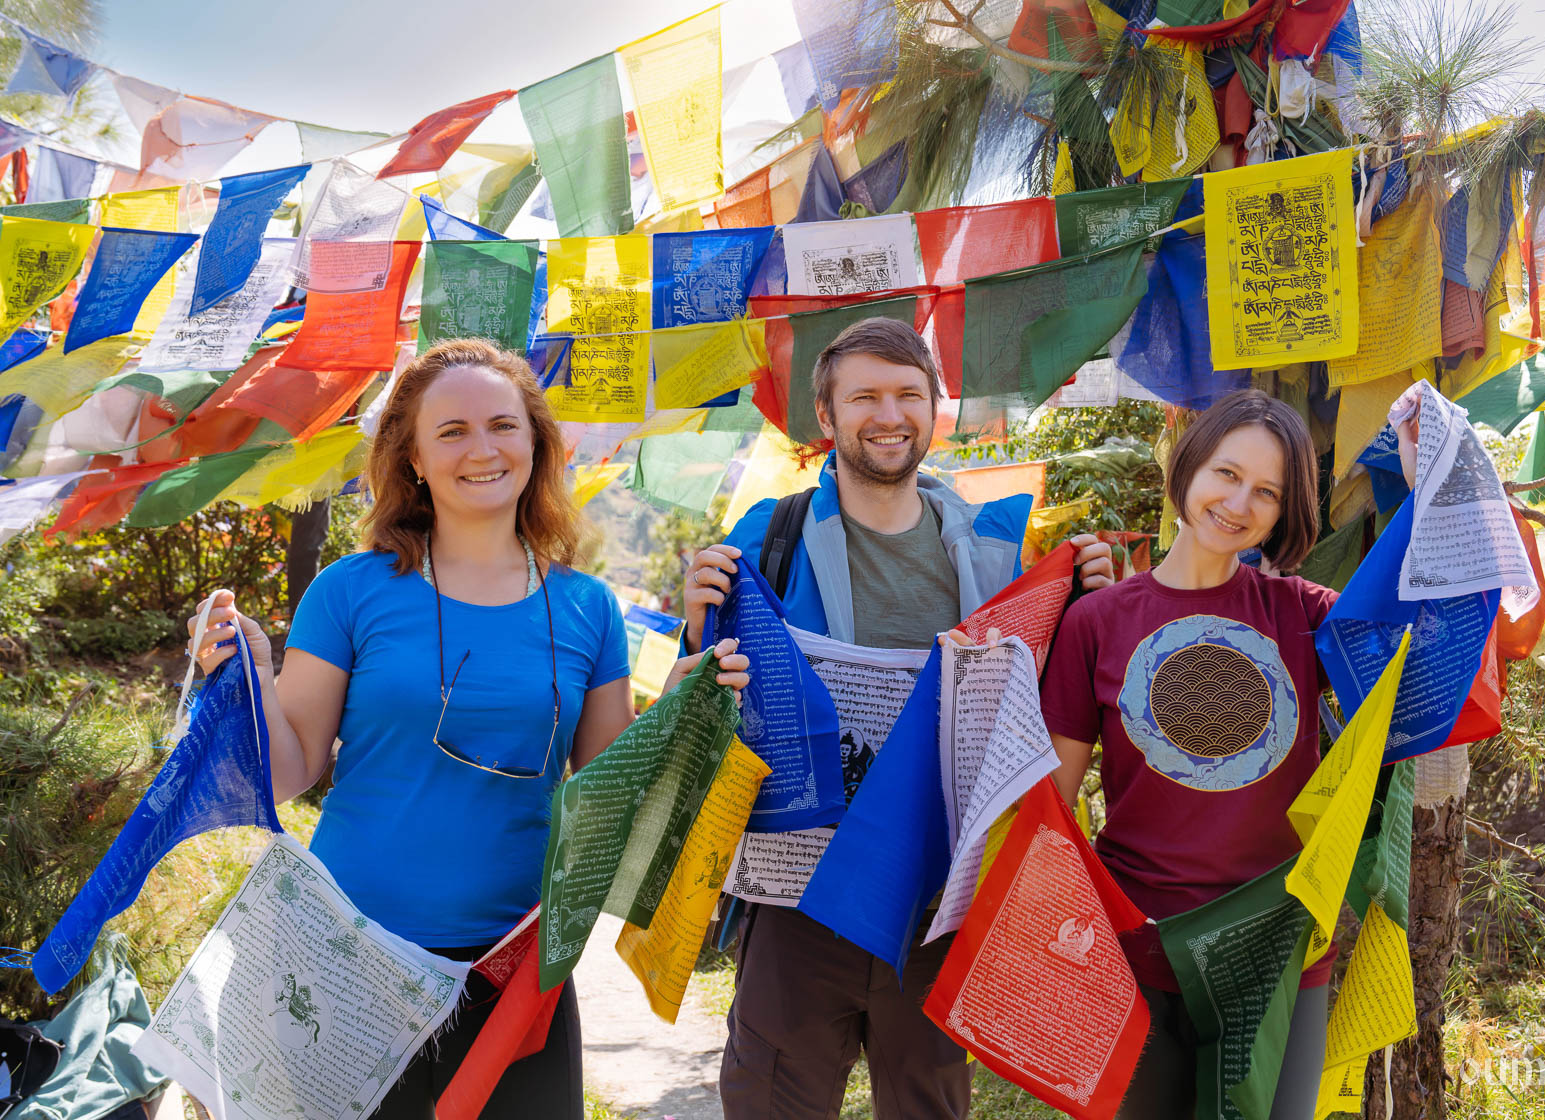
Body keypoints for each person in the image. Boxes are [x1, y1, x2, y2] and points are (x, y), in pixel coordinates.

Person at [187, 338, 748, 1120]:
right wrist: (247, 679)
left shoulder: (587, 608)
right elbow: (291, 771)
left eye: (503, 425)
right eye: (451, 431)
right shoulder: (351, 590)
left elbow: (607, 802)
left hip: (516, 972)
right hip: (350, 957)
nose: (482, 449)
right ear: (414, 458)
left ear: (537, 445)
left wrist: (678, 712)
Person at [681, 316, 1116, 1120]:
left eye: (909, 395)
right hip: (797, 900)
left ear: (933, 410)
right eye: (865, 397)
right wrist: (696, 627)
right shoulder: (767, 537)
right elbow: (711, 697)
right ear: (826, 415)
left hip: (933, 902)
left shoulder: (996, 550)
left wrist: (1091, 600)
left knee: (929, 1107)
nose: (890, 415)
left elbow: (1041, 706)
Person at [1038, 389, 1414, 1119]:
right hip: (1141, 948)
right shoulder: (1097, 622)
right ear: (1188, 466)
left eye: (1266, 492)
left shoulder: (1304, 615)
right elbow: (1052, 804)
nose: (1239, 504)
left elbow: (1419, 650)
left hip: (1276, 953)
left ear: (1283, 511)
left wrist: (1418, 479)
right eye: (1227, 473)